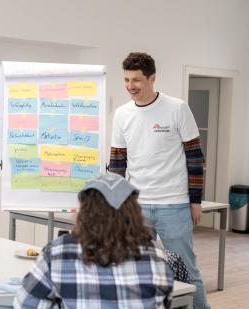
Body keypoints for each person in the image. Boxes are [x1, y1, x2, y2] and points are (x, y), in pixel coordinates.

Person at [110, 52, 209, 308]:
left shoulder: (177, 108)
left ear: (152, 78)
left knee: (187, 271)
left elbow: (195, 158)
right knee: (140, 270)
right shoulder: (122, 114)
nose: (130, 86)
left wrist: (195, 201)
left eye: (137, 80)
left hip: (174, 205)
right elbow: (118, 162)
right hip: (137, 206)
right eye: (127, 80)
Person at [15, 173, 173, 308]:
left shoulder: (58, 252)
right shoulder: (156, 255)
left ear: (84, 211)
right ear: (134, 212)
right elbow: (165, 302)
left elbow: (24, 304)